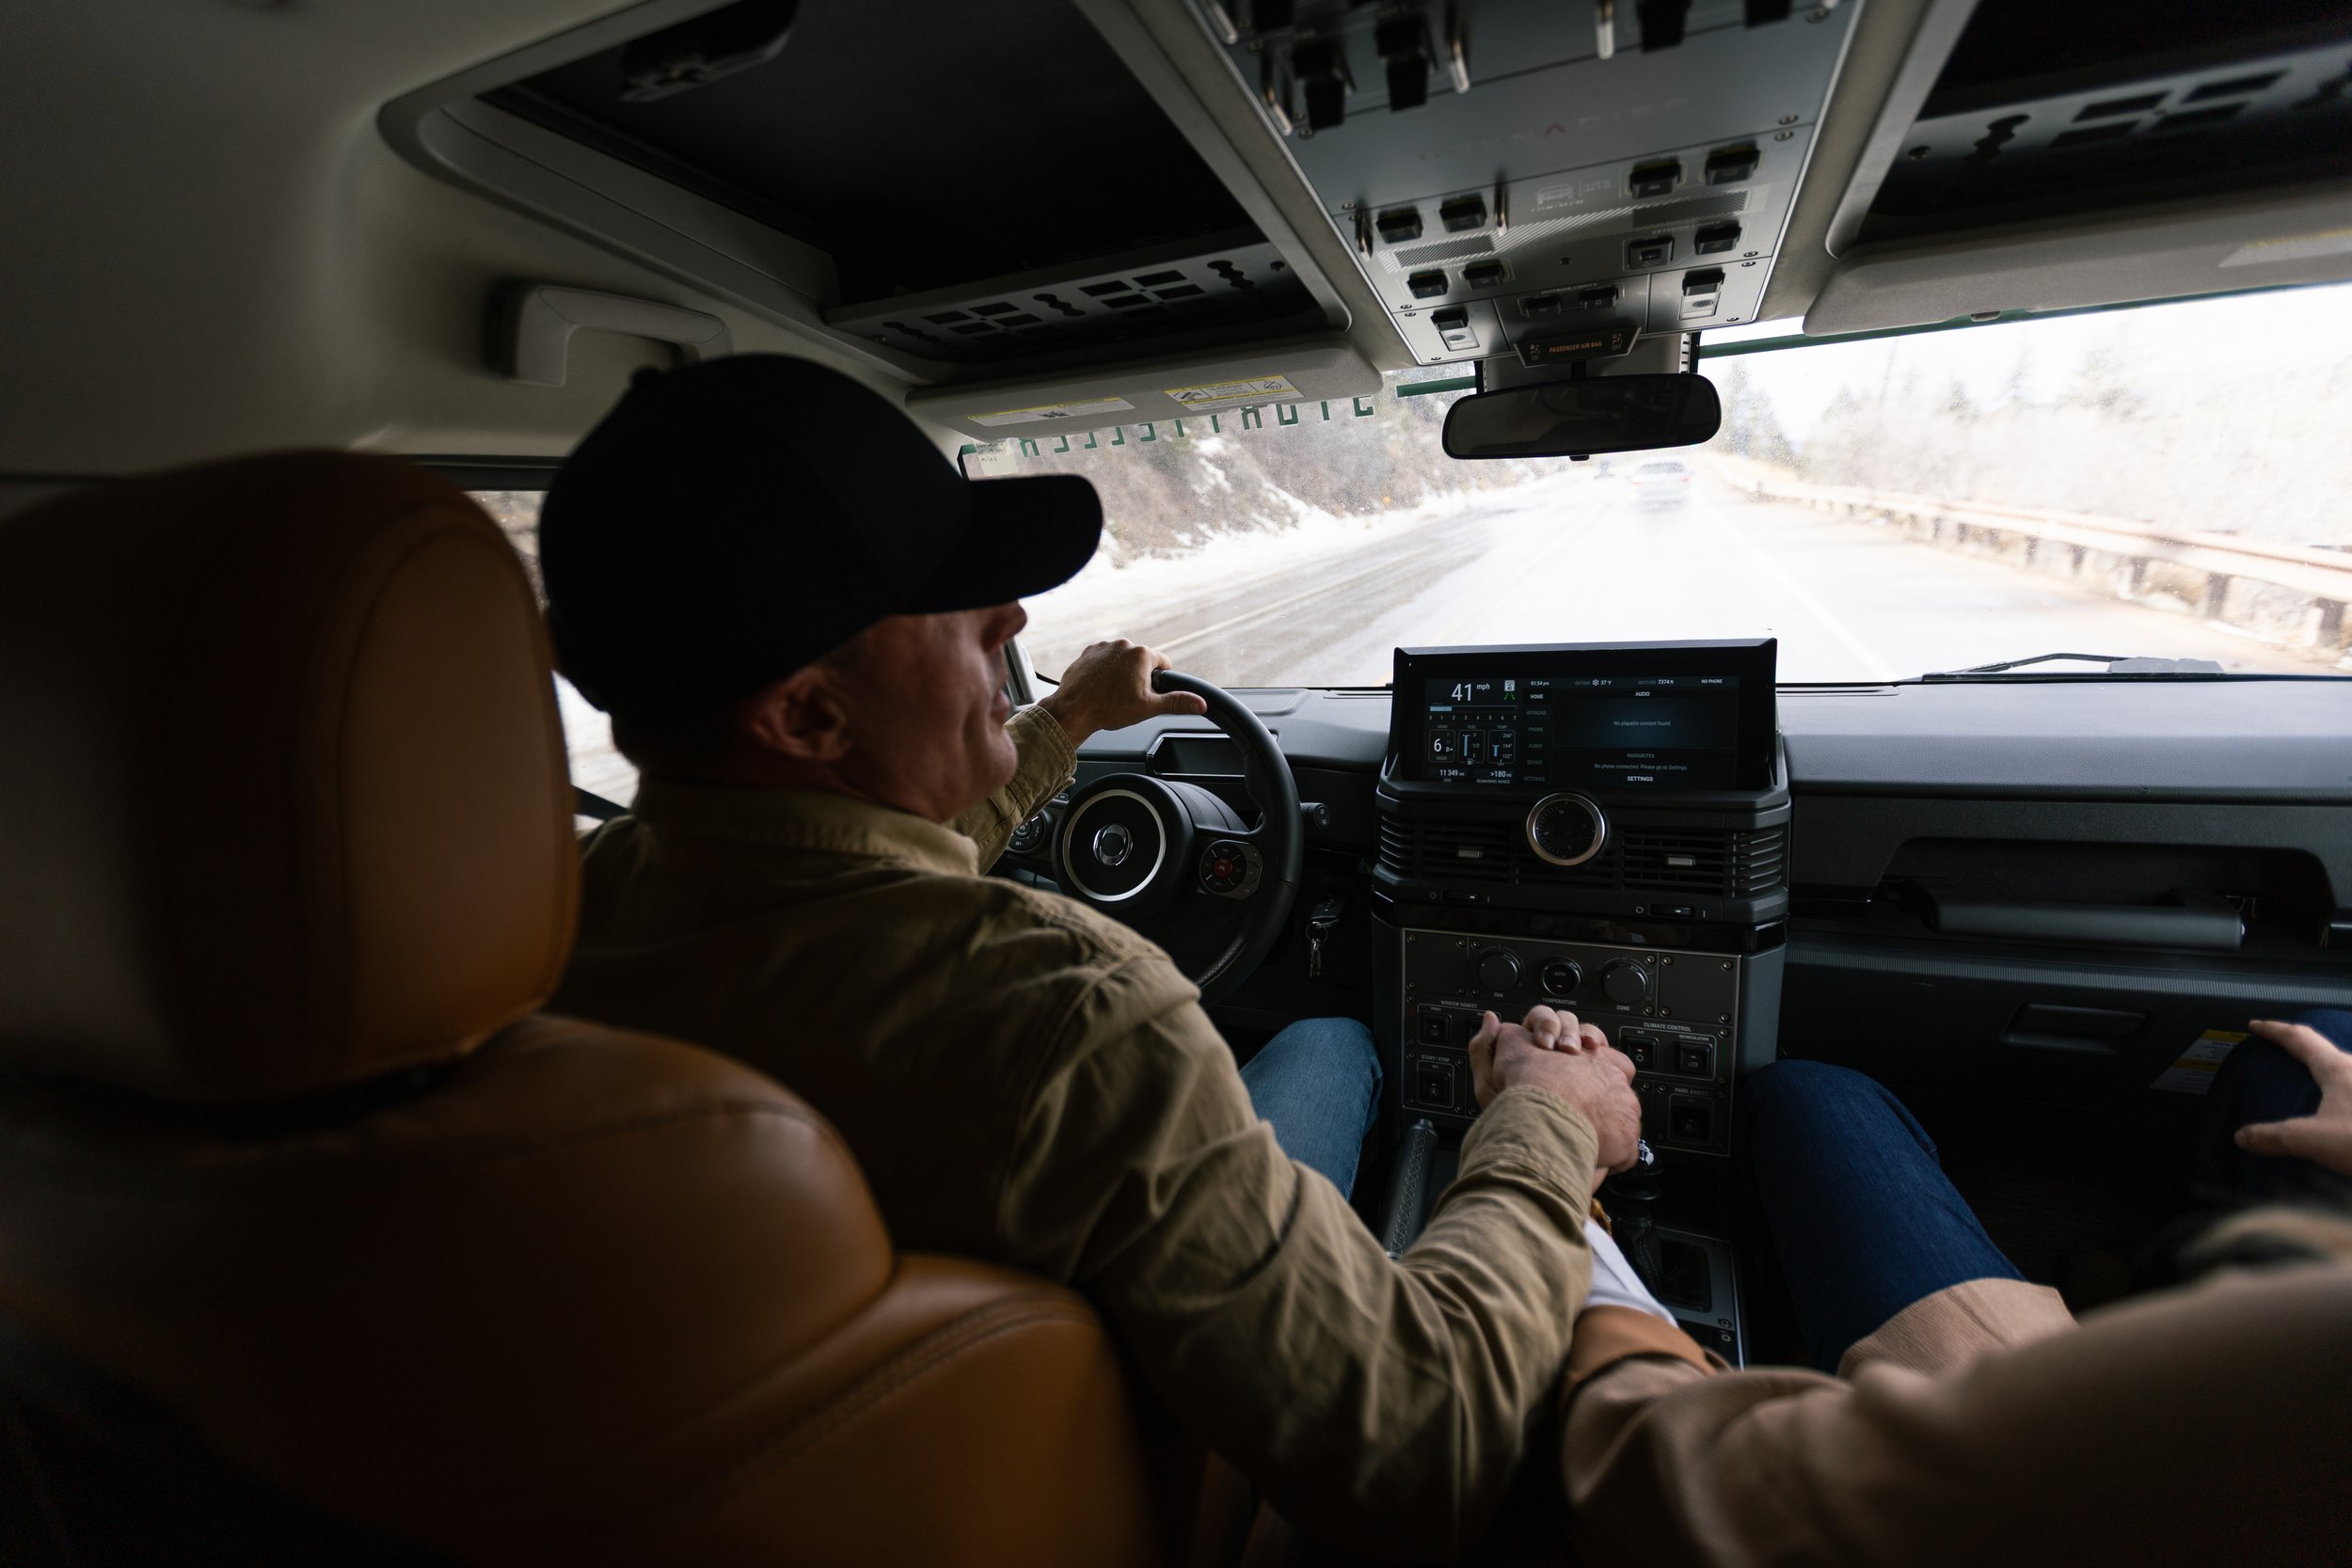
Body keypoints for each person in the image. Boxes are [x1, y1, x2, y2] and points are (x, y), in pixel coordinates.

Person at [535, 354, 1645, 1557]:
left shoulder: (552, 918)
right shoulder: (1067, 1009)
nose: (1008, 618)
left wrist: (1060, 724)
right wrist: (1548, 1126)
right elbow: (1425, 1435)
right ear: (807, 716)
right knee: (1335, 1039)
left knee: (1319, 1044)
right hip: (1190, 1499)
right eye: (953, 601)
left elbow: (846, 856)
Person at [1555, 1012, 2352, 1567]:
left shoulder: (2297, 1395)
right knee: (2298, 1058)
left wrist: (1553, 1158)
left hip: (2060, 1492)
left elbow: (1674, 1480)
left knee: (1812, 1096)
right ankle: (2153, 1285)